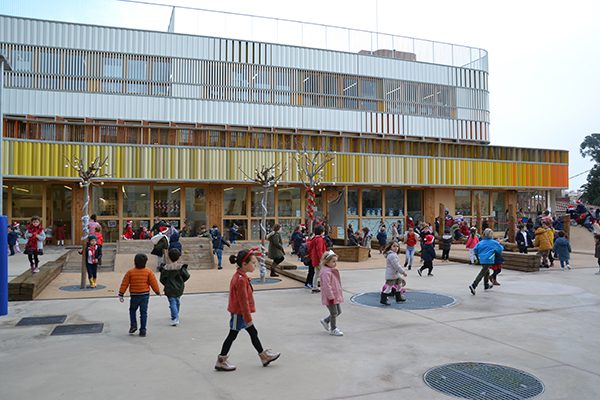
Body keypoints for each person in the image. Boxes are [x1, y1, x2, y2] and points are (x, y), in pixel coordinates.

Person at [214, 248, 280, 371]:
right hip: (239, 313)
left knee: (252, 333)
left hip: (241, 313)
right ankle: (221, 360)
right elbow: (243, 301)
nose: (255, 265)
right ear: (244, 264)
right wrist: (248, 318)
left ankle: (263, 356)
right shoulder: (240, 279)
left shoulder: (241, 276)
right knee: (232, 335)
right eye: (253, 263)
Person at [118, 253, 160, 337]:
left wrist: (121, 293)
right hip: (145, 295)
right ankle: (143, 330)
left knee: (132, 310)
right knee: (143, 312)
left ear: (135, 262)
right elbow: (153, 283)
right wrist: (157, 291)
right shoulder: (149, 272)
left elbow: (124, 283)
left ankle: (133, 325)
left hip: (134, 295)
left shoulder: (130, 272)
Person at [159, 248, 190, 326]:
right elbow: (186, 276)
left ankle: (175, 317)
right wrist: (181, 281)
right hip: (179, 287)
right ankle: (176, 314)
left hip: (169, 287)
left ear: (169, 257)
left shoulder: (166, 268)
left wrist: (166, 284)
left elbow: (162, 279)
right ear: (178, 257)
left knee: (172, 301)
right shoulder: (181, 267)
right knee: (177, 300)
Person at [469, 228, 503, 295]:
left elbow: (475, 250)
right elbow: (500, 249)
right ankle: (474, 285)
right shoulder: (494, 242)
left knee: (486, 271)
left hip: (482, 259)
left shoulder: (481, 242)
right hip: (489, 259)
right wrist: (499, 245)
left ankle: (486, 285)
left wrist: (478, 256)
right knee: (483, 272)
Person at [318, 250, 344, 336]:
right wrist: (330, 297)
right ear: (327, 262)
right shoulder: (326, 272)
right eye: (333, 261)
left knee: (338, 311)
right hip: (330, 297)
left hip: (335, 295)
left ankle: (326, 321)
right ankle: (333, 329)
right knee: (334, 313)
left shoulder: (330, 270)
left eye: (335, 261)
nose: (335, 263)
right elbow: (326, 286)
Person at [308, 225, 328, 294]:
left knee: (316, 273)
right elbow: (319, 250)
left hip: (314, 259)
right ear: (321, 232)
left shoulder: (314, 239)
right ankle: (325, 287)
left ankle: (314, 287)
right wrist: (322, 259)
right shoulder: (320, 239)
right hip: (319, 259)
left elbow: (310, 248)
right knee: (324, 273)